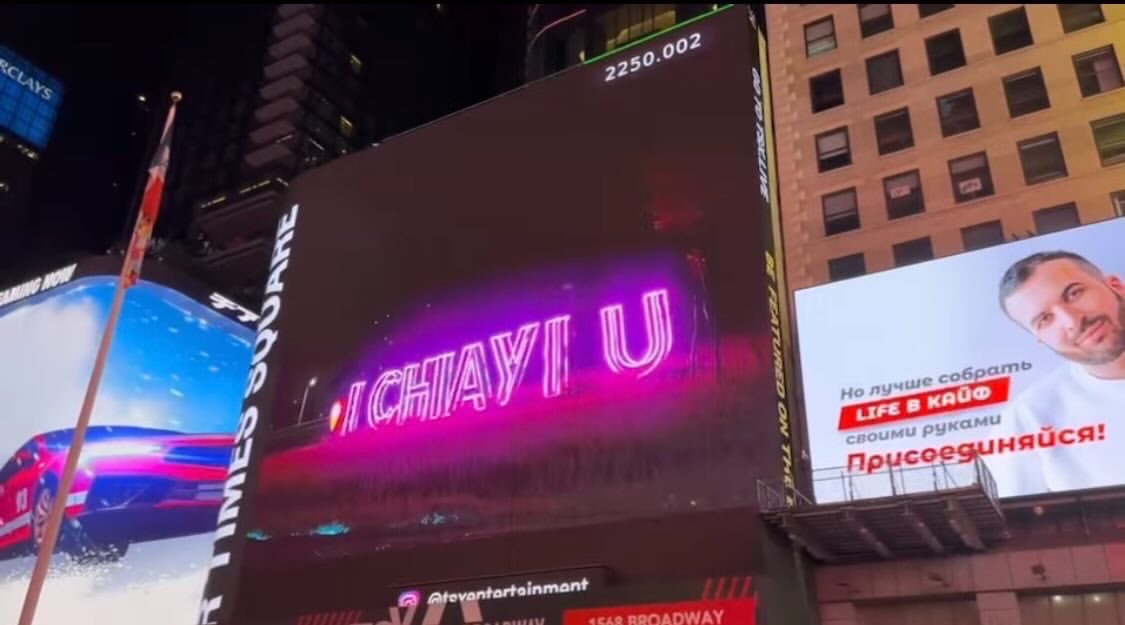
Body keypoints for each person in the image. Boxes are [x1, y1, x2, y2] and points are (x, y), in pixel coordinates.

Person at [996, 250, 1125, 494]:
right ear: (1039, 338)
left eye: (1074, 294)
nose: (1072, 321)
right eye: (1045, 319)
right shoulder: (1028, 418)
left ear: (1116, 286)